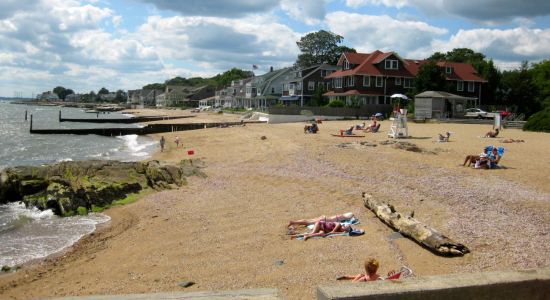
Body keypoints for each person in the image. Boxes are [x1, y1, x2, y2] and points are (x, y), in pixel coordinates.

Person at [288, 212, 354, 228]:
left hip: (324, 218)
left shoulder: (341, 216)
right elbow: (350, 219)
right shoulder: (344, 218)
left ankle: (294, 222)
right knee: (308, 222)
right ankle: (293, 222)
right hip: (325, 220)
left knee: (308, 221)